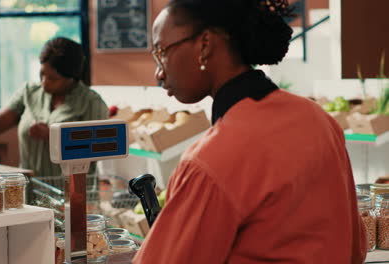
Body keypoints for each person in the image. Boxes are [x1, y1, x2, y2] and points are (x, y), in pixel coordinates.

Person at [133, 0, 366, 263]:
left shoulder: (211, 160)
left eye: (162, 51)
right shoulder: (320, 121)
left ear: (205, 44)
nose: (159, 72)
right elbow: (354, 248)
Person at [0, 37, 108, 177]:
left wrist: (54, 136)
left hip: (74, 194)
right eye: (42, 74)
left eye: (53, 78)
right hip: (32, 190)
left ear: (71, 77)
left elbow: (98, 150)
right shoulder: (29, 93)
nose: (45, 81)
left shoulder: (91, 102)